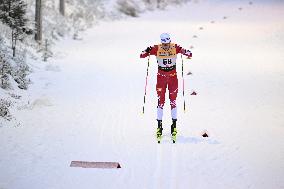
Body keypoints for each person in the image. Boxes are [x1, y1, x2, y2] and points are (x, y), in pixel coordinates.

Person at [140, 33, 192, 142]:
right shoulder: (156, 48)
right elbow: (142, 55)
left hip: (173, 78)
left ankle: (174, 127)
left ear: (169, 41)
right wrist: (147, 50)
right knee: (161, 102)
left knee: (173, 101)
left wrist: (185, 52)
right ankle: (159, 127)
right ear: (161, 42)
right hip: (161, 78)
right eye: (164, 44)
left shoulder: (175, 47)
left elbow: (189, 53)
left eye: (167, 43)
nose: (166, 46)